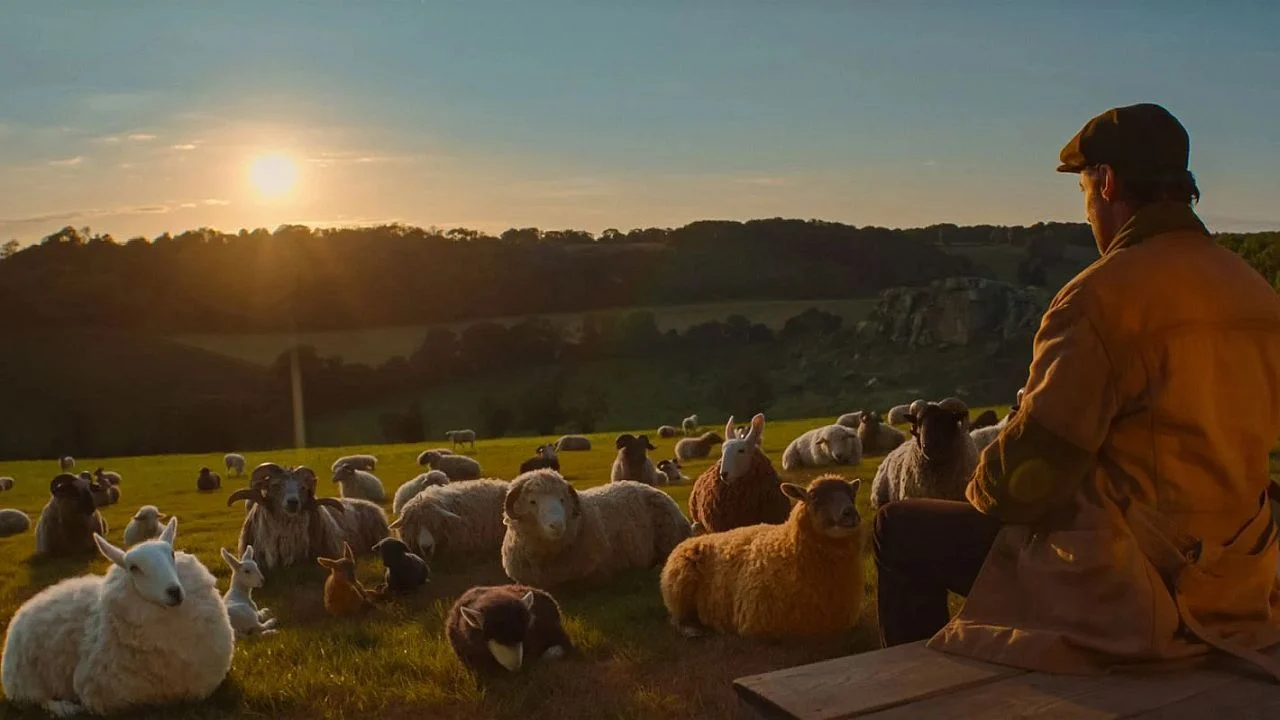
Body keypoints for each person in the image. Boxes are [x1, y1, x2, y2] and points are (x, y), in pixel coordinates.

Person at [873, 102, 1280, 678]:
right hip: (1242, 586)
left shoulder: (1099, 298)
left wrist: (984, 477)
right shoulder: (1256, 294)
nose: (1089, 210)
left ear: (1108, 182)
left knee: (900, 528)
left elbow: (1029, 478)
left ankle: (907, 697)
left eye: (1085, 189)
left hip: (1137, 591)